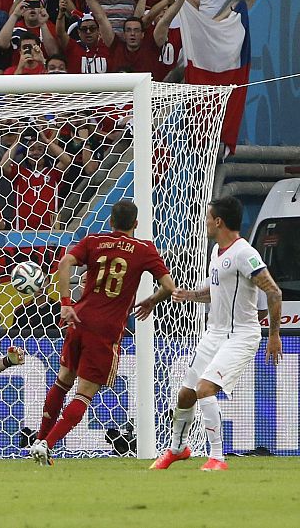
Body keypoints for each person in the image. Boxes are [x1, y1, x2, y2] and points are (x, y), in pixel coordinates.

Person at [30, 200, 175, 466]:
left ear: (110, 222)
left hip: (79, 318)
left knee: (63, 381)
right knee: (83, 394)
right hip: (106, 329)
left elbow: (64, 263)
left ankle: (40, 439)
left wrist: (65, 304)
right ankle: (46, 445)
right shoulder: (144, 249)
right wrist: (152, 301)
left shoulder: (94, 240)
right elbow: (169, 286)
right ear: (136, 224)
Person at [151, 196, 282, 471]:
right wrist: (190, 295)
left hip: (242, 335)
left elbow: (273, 290)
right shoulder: (217, 251)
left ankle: (217, 458)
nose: (206, 222)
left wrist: (274, 335)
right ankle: (178, 448)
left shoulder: (245, 253)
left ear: (218, 221)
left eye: (208, 217)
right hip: (216, 333)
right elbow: (216, 290)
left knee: (204, 390)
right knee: (186, 394)